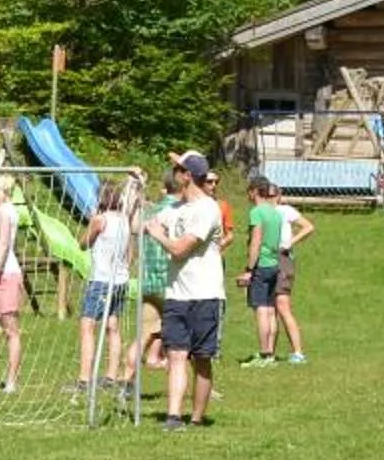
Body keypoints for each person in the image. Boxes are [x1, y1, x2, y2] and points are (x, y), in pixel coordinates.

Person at [141, 150, 224, 428]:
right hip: (176, 294)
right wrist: (133, 194)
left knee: (200, 359)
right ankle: (174, 416)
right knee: (175, 353)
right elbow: (141, 225)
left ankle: (197, 418)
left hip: (204, 295)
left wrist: (158, 234)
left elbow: (179, 250)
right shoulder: (175, 209)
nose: (172, 173)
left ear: (188, 176)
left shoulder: (208, 209)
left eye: (177, 169)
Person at [239, 178, 314, 366]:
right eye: (269, 195)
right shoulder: (274, 214)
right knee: (272, 309)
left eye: (273, 195)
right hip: (274, 261)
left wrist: (249, 268)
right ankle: (270, 352)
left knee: (270, 308)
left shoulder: (266, 212)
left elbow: (257, 241)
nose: (271, 198)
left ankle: (278, 353)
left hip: (272, 261)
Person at [76, 180, 136, 389]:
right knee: (113, 326)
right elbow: (131, 253)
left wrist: (91, 227)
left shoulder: (100, 220)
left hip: (101, 279)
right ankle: (110, 375)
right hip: (120, 280)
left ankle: (84, 378)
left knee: (87, 326)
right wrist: (124, 269)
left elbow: (83, 244)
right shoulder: (125, 220)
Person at [0, 182, 26, 394]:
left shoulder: (4, 211)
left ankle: (11, 380)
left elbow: (3, 244)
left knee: (10, 329)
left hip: (4, 274)